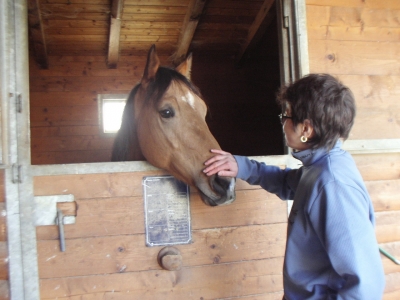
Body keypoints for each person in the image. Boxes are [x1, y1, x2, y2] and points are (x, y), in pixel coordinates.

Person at [203, 74, 385, 299]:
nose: (283, 122)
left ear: (306, 129)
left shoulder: (333, 184)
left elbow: (365, 288)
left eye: (286, 116)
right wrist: (241, 165)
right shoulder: (319, 166)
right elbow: (286, 183)